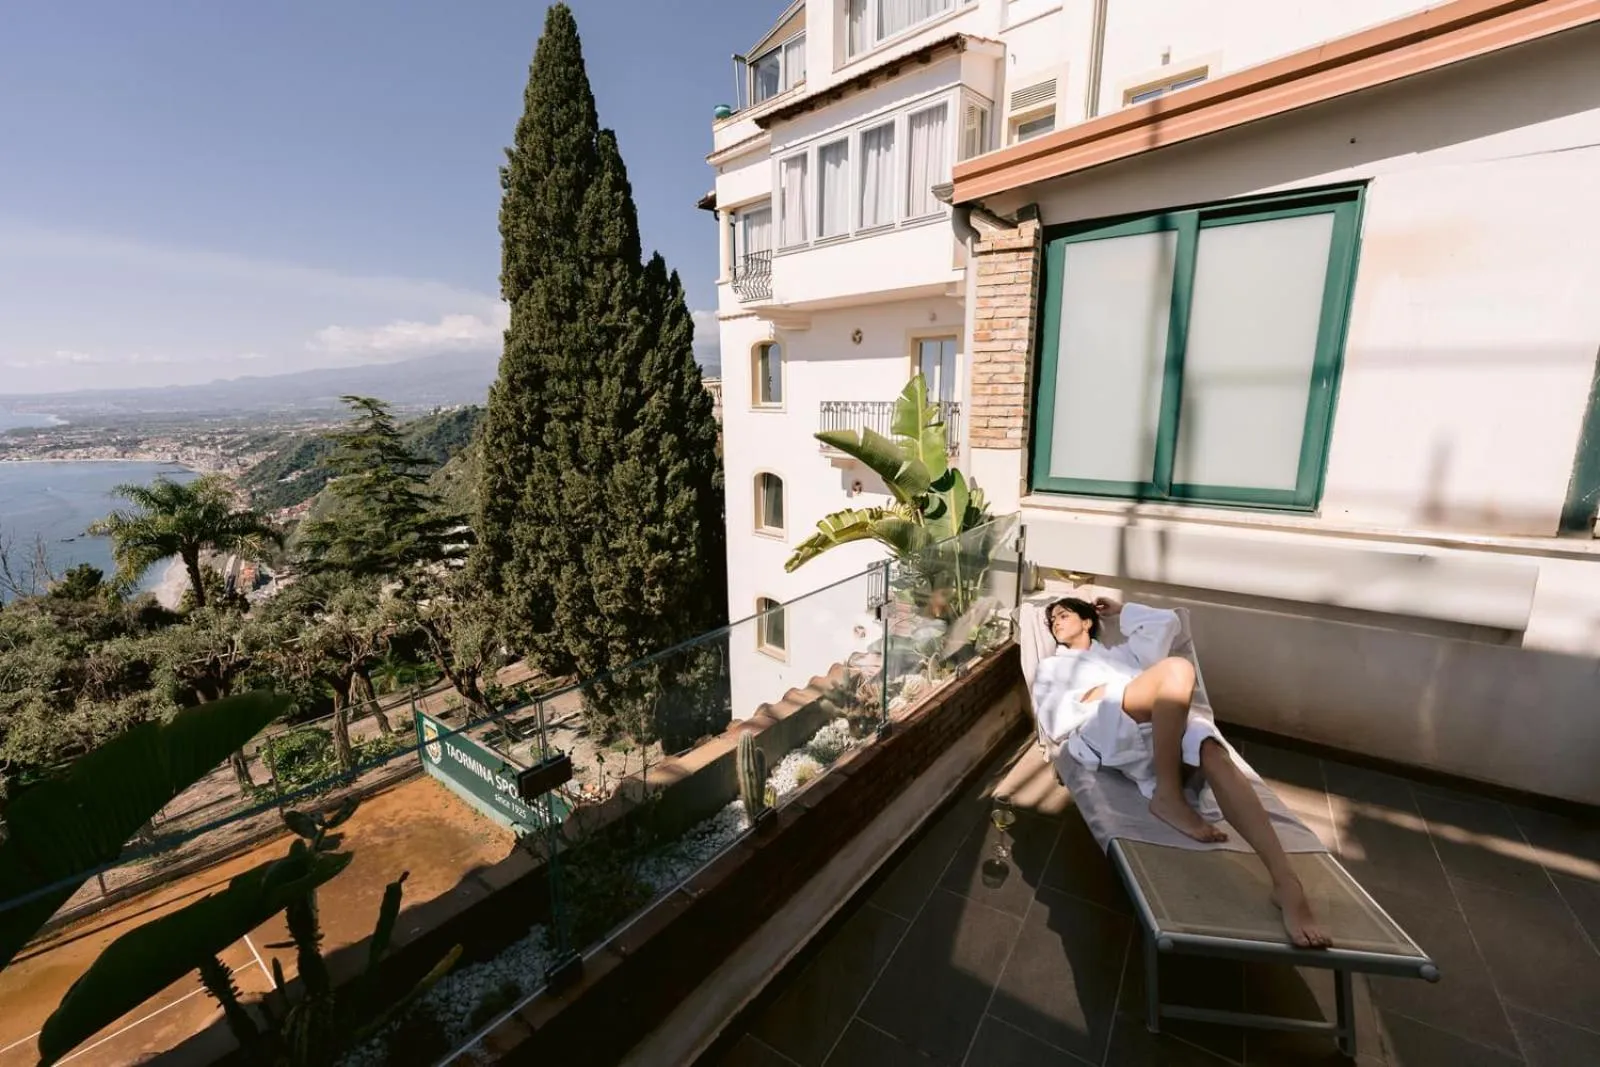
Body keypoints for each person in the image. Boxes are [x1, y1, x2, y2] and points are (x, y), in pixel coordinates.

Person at [1035, 595, 1330, 949]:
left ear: (1087, 621)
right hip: (1105, 726)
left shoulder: (1120, 654)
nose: (1055, 622)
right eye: (1051, 620)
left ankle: (1286, 883)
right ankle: (1169, 795)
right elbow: (1054, 719)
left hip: (1160, 726)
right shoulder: (1052, 667)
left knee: (1212, 749)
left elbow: (1166, 624)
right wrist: (1105, 692)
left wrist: (1121, 610)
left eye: (1064, 614)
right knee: (1177, 669)